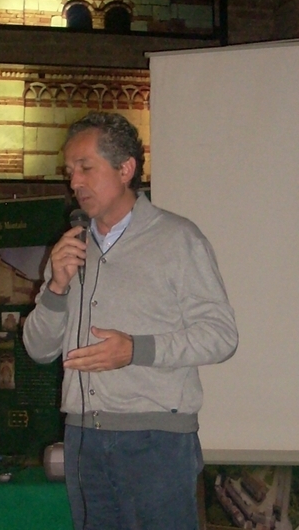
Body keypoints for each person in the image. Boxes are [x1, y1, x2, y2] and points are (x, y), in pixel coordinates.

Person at [22, 111, 238, 530]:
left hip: (155, 441)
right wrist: (56, 289)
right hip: (83, 438)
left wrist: (135, 350)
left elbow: (221, 336)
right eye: (70, 172)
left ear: (125, 169)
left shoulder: (177, 239)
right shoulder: (70, 249)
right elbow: (38, 348)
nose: (74, 183)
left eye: (86, 168)